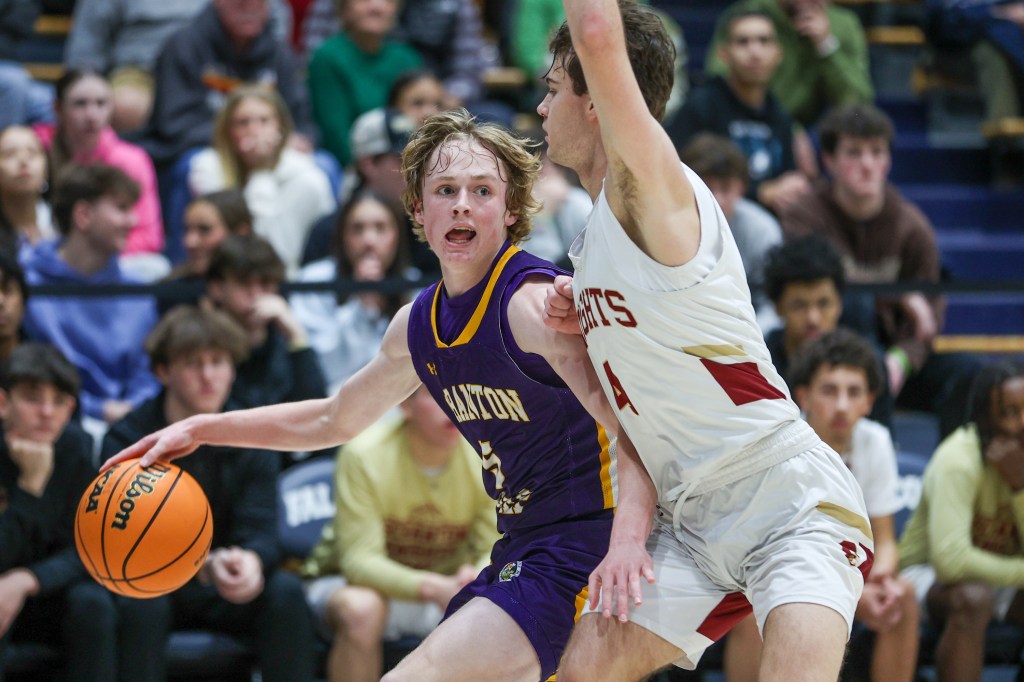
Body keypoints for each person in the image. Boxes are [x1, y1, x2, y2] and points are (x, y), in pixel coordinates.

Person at [103, 107, 654, 682]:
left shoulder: (532, 305)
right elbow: (331, 420)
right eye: (445, 190)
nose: (462, 204)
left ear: (510, 209)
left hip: (586, 540)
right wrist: (201, 428)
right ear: (417, 207)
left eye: (482, 190)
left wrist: (628, 541)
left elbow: (635, 424)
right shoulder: (417, 325)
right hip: (522, 542)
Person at [538, 3, 870, 680]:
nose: (541, 108)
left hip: (785, 499)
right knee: (578, 674)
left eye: (551, 89)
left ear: (596, 101)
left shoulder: (651, 185)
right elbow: (633, 422)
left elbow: (597, 33)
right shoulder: (595, 244)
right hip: (687, 518)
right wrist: (629, 536)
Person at [100, 304, 318, 682]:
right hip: (158, 581)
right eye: (192, 364)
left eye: (218, 362)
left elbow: (262, 527)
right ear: (163, 371)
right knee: (140, 602)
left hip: (227, 579)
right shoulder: (128, 439)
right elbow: (126, 538)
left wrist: (250, 560)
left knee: (285, 592)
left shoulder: (254, 433)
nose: (208, 377)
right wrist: (203, 567)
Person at [724, 328, 919, 682]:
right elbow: (763, 547)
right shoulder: (778, 442)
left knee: (901, 596)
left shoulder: (875, 441)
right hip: (782, 570)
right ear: (803, 397)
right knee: (749, 603)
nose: (842, 405)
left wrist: (878, 582)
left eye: (854, 392)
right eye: (829, 391)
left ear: (869, 401)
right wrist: (852, 593)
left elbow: (886, 540)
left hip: (853, 575)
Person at [779, 102, 981, 438]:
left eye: (877, 152)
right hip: (822, 354)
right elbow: (814, 294)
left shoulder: (912, 225)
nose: (868, 164)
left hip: (893, 356)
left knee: (970, 375)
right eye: (854, 153)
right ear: (828, 161)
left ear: (888, 161)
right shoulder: (805, 216)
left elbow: (928, 316)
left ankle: (949, 466)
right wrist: (897, 295)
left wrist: (902, 359)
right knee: (861, 329)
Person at [302, 384, 499, 682]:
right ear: (405, 405)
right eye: (436, 393)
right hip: (348, 583)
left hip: (448, 587)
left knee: (499, 609)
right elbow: (359, 563)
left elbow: (495, 548)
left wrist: (475, 578)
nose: (453, 403)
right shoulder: (364, 454)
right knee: (362, 610)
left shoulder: (485, 457)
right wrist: (433, 587)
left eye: (459, 392)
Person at [898, 360, 1024, 682]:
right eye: (1010, 412)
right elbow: (950, 562)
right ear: (985, 418)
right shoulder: (958, 459)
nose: (1022, 423)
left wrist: (1019, 488)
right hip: (923, 573)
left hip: (996, 571)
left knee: (980, 592)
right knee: (972, 599)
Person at [0, 343, 118, 682]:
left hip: (43, 589)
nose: (47, 412)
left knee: (92, 602)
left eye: (59, 401)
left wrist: (27, 580)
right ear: (3, 403)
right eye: (33, 398)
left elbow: (86, 546)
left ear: (71, 409)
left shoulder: (75, 446)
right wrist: (30, 487)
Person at [22, 163, 159, 443]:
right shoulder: (26, 283)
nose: (133, 220)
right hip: (49, 426)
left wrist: (132, 410)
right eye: (121, 208)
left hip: (130, 426)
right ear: (83, 215)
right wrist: (97, 409)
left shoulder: (138, 291)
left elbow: (148, 374)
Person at [668, 6, 810, 215]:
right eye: (743, 42)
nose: (755, 52)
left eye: (764, 41)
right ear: (724, 54)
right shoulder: (701, 106)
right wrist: (760, 192)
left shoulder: (781, 116)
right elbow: (678, 175)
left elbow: (786, 178)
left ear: (778, 53)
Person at [139, 0, 314, 168]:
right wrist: (240, 137)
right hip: (203, 149)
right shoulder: (184, 46)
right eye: (240, 2)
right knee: (200, 166)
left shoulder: (279, 53)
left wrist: (296, 140)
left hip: (271, 151)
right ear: (219, 2)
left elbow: (302, 121)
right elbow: (175, 126)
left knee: (321, 164)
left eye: (259, 2)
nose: (249, 9)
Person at [188, 85, 336, 277]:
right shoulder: (208, 168)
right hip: (224, 275)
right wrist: (261, 171)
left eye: (264, 121)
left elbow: (274, 248)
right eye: (243, 123)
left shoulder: (307, 177)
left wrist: (262, 170)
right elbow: (247, 241)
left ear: (280, 128)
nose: (254, 131)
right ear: (228, 131)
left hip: (290, 276)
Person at [34, 69, 167, 277]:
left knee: (155, 267)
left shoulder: (132, 160)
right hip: (49, 259)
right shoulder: (36, 149)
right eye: (80, 104)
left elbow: (149, 237)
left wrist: (96, 255)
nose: (92, 115)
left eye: (101, 103)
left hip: (113, 260)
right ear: (58, 108)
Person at [291, 189, 416, 393]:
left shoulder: (417, 289)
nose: (369, 240)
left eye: (380, 228)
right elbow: (324, 368)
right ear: (343, 236)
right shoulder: (312, 282)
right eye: (357, 229)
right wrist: (361, 306)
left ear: (397, 236)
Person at [762, 234, 893, 427]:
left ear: (839, 304)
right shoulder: (761, 366)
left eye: (823, 303)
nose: (813, 318)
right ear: (778, 307)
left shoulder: (869, 364)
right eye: (799, 305)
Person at [204, 234, 327, 414]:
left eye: (265, 283)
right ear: (216, 288)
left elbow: (318, 413)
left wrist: (297, 336)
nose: (256, 294)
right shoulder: (201, 345)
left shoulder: (286, 341)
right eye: (244, 283)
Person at [706, 0, 873, 130]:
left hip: (810, 129)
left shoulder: (843, 25)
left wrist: (825, 45)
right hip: (747, 119)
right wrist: (790, 130)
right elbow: (717, 85)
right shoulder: (749, 15)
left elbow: (857, 104)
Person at [679, 132, 782, 331]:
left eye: (725, 189)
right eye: (707, 188)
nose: (716, 199)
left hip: (749, 330)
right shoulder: (668, 227)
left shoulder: (763, 231)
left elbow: (773, 302)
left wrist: (748, 336)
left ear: (741, 188)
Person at [307, 0, 423, 167]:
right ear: (344, 9)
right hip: (357, 166)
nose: (376, 6)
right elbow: (335, 135)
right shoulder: (328, 57)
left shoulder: (407, 58)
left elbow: (423, 119)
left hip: (409, 160)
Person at [158, 188, 253, 314]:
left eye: (204, 230)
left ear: (241, 233)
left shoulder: (269, 287)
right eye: (187, 229)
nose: (190, 242)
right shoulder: (171, 294)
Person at [0, 125, 54, 254]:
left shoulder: (63, 222)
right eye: (9, 154)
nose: (23, 161)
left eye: (32, 153)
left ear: (46, 168)